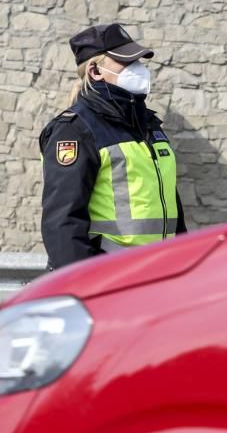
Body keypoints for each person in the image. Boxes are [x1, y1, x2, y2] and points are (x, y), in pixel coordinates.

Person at [39, 23, 186, 270]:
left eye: (139, 62)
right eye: (128, 63)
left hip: (159, 273)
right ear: (95, 71)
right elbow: (62, 221)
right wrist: (86, 285)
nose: (139, 69)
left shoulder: (149, 124)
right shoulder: (75, 131)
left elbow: (171, 206)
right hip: (111, 277)